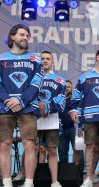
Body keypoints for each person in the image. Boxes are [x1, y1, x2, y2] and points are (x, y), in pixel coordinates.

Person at [0, 24, 44, 187]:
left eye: (27, 35)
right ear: (12, 36)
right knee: (4, 144)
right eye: (22, 35)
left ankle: (29, 182)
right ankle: (6, 181)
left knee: (29, 143)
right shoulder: (2, 57)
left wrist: (20, 100)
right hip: (4, 108)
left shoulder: (35, 59)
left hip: (28, 107)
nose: (25, 38)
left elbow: (37, 83)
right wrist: (7, 100)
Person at [70, 48, 99, 187]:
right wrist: (74, 110)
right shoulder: (85, 76)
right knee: (90, 146)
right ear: (97, 58)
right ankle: (88, 178)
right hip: (89, 116)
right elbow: (76, 95)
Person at [35, 51, 66, 187]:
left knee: (52, 150)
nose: (45, 60)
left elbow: (61, 102)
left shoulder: (59, 80)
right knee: (33, 149)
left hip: (51, 119)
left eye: (48, 59)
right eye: (42, 58)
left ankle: (54, 181)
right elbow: (27, 97)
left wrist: (46, 106)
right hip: (33, 118)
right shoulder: (32, 78)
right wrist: (38, 106)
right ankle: (34, 179)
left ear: (53, 62)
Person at [58, 80, 84, 171]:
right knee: (62, 151)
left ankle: (78, 173)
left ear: (72, 88)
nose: (66, 88)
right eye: (65, 86)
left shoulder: (75, 100)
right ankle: (64, 173)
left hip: (75, 128)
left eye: (68, 87)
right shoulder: (58, 99)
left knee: (78, 150)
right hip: (61, 129)